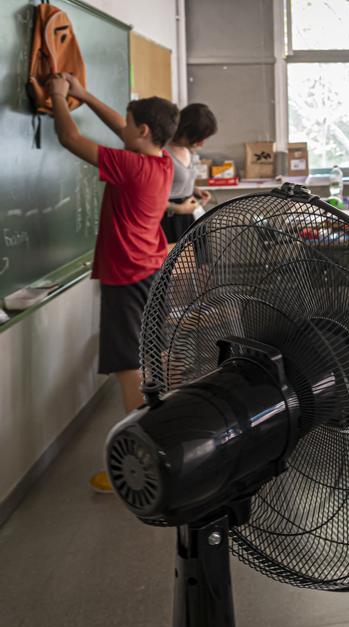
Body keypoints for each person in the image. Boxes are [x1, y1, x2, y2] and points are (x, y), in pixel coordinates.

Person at [47, 73, 178, 493]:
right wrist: (85, 95)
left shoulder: (130, 167)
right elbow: (126, 131)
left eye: (127, 122)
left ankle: (141, 466)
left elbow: (70, 138)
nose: (120, 128)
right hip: (151, 272)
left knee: (129, 371)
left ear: (141, 131)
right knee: (146, 365)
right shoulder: (160, 162)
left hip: (129, 278)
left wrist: (57, 97)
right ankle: (160, 449)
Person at [161, 103, 217, 244]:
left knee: (198, 263)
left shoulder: (188, 150)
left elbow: (179, 182)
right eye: (199, 138)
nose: (201, 144)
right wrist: (179, 208)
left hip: (190, 216)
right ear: (186, 131)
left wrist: (196, 191)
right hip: (170, 219)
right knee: (175, 263)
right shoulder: (162, 152)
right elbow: (151, 196)